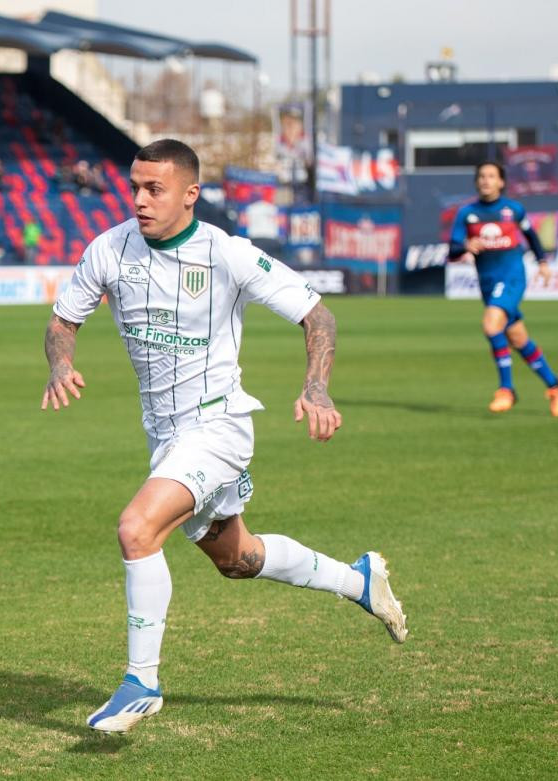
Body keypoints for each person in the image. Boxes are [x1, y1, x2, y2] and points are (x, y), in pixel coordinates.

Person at [40, 139, 407, 734]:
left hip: (219, 427)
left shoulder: (227, 254)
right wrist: (60, 364)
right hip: (165, 435)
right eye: (134, 186)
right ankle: (358, 580)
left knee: (137, 528)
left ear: (190, 194)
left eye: (154, 189)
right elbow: (63, 321)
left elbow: (318, 315)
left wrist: (316, 387)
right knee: (238, 558)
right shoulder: (109, 248)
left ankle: (142, 682)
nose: (139, 200)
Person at [447, 161, 558, 416]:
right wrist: (467, 245)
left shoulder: (513, 210)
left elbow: (532, 237)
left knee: (491, 325)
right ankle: (554, 385)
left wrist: (542, 262)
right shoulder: (466, 213)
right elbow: (453, 250)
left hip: (512, 277)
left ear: (501, 182)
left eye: (491, 176)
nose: (485, 180)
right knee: (517, 338)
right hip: (489, 284)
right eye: (481, 176)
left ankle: (507, 389)